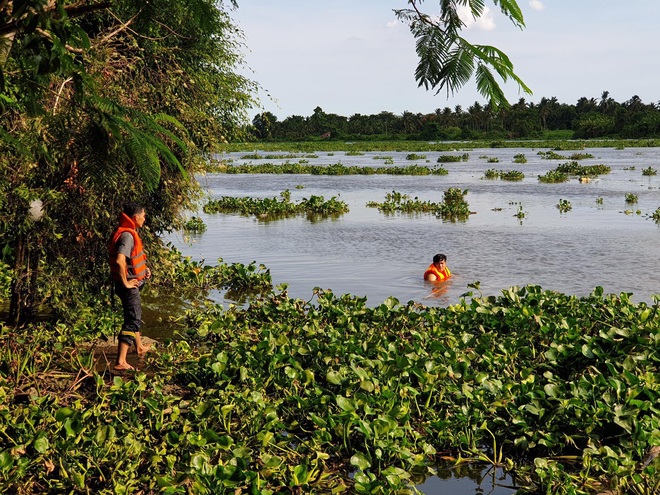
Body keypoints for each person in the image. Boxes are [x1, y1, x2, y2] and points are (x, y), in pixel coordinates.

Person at [108, 202, 152, 370]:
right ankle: (121, 362)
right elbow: (120, 261)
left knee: (134, 315)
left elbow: (130, 260)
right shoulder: (127, 236)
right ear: (135, 217)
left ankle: (139, 347)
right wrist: (126, 283)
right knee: (132, 320)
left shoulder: (129, 233)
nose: (144, 218)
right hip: (128, 287)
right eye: (144, 215)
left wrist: (144, 270)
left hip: (132, 283)